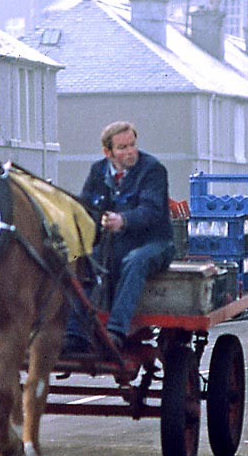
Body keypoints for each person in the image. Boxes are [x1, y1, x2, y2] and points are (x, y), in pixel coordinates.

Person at [62, 121, 174, 353]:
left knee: (135, 261)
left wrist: (123, 221)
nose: (130, 151)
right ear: (108, 152)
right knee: (79, 260)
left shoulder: (153, 170)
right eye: (122, 148)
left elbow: (152, 211)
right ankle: (74, 334)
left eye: (132, 145)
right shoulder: (98, 171)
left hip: (154, 243)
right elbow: (87, 210)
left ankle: (116, 332)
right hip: (114, 244)